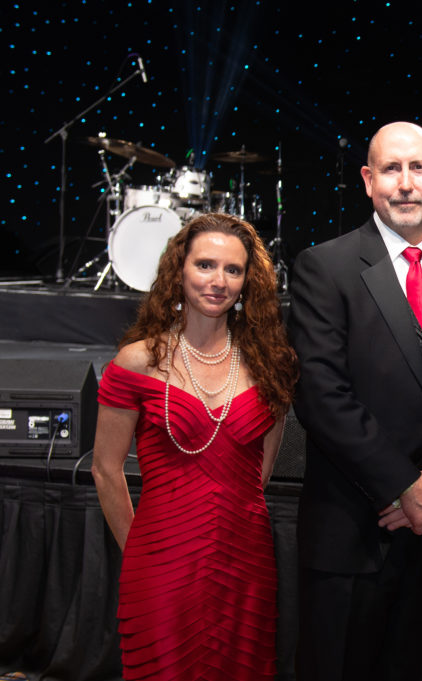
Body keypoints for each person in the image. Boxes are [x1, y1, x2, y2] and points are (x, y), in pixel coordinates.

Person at [287, 121, 422, 680]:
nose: (405, 183)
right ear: (368, 180)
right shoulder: (323, 267)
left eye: (417, 169)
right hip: (350, 537)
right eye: (391, 169)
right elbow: (321, 396)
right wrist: (405, 487)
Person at [92, 213, 298, 681]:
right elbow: (105, 470)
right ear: (179, 270)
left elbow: (260, 474)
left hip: (245, 562)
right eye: (205, 265)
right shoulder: (137, 362)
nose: (218, 281)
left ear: (247, 282)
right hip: (160, 562)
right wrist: (139, 550)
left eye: (233, 270)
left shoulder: (271, 366)